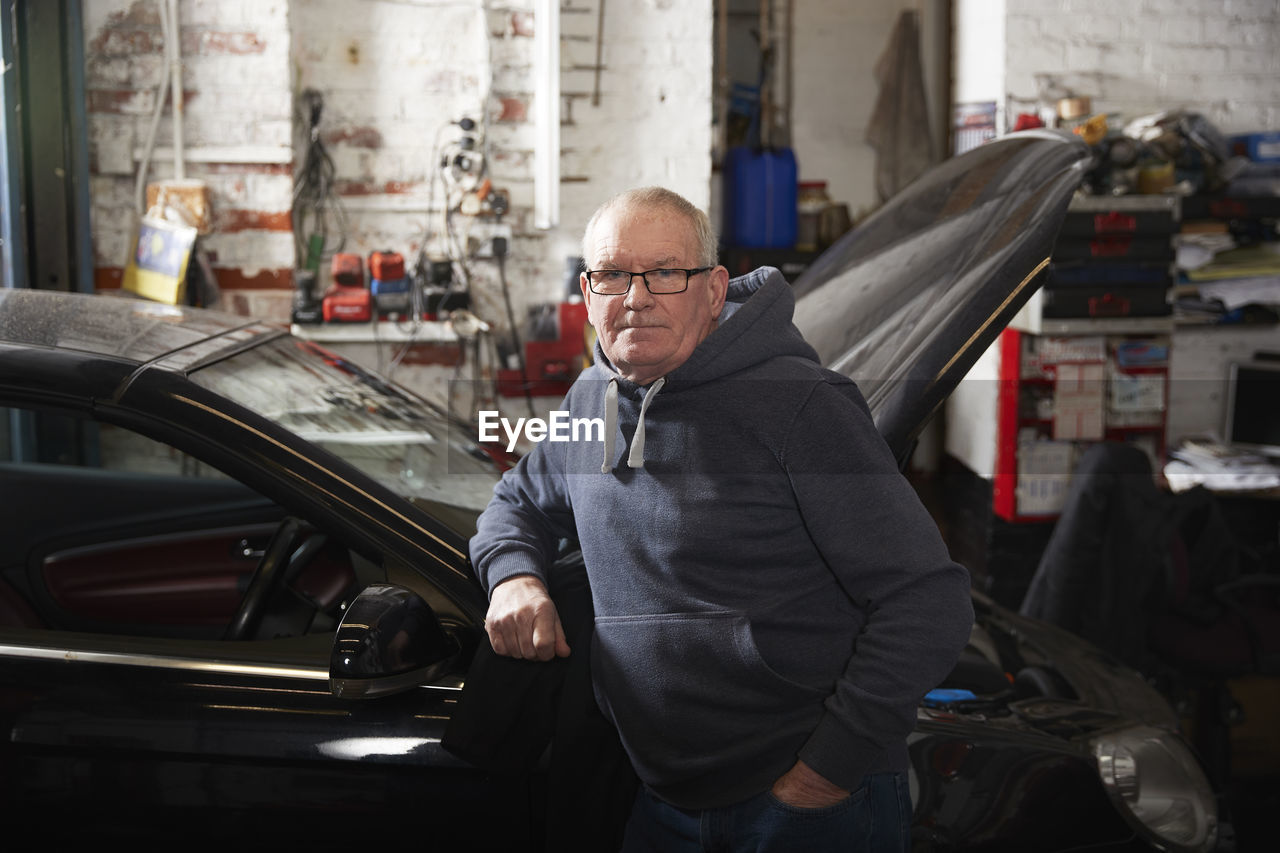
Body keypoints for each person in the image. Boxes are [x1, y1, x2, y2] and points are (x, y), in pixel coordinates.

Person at [470, 186, 973, 852]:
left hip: (800, 804)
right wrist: (512, 577)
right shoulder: (593, 401)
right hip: (658, 795)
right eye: (613, 274)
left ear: (712, 289)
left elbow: (928, 601)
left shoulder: (801, 406)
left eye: (665, 273)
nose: (637, 296)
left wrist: (823, 775)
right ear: (588, 294)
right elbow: (516, 502)